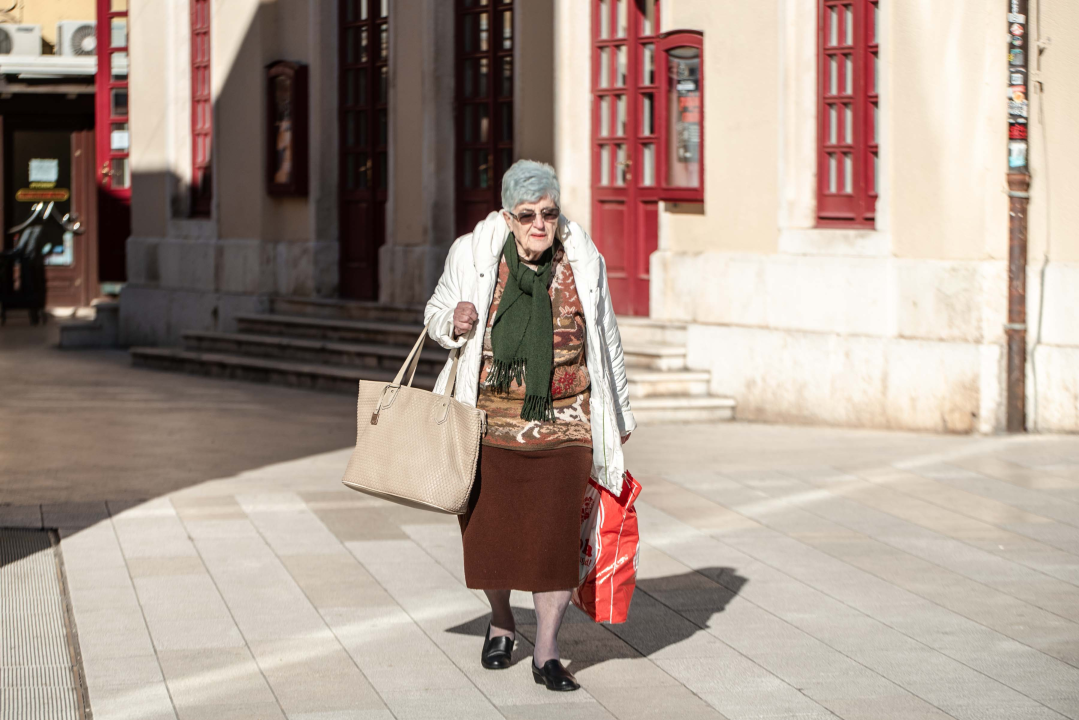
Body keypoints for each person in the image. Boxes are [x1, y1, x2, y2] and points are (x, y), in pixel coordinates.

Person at [424, 160, 635, 692]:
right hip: (489, 427)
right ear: (507, 217)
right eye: (527, 215)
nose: (539, 224)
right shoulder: (472, 254)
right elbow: (434, 312)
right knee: (489, 537)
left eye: (548, 213)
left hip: (565, 426)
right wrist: (454, 321)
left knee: (553, 542)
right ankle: (501, 620)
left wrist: (622, 415)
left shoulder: (582, 258)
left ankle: (547, 651)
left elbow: (606, 335)